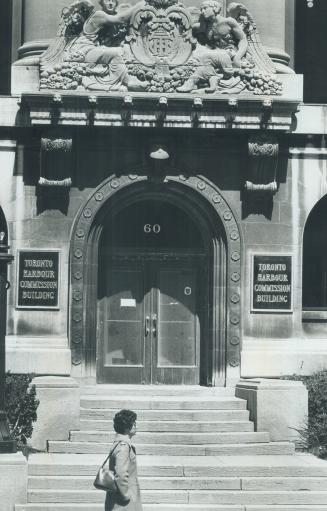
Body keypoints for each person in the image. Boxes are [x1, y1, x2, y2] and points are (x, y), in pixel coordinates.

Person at [61, 0, 145, 91]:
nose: (110, 3)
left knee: (121, 51)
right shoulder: (99, 15)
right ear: (101, 3)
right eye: (107, 0)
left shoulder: (102, 17)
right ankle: (128, 81)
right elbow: (121, 19)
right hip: (84, 51)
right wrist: (139, 6)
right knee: (115, 53)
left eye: (113, 1)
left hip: (91, 50)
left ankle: (118, 78)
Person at [177, 0, 248, 92]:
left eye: (205, 8)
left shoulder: (228, 22)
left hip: (230, 53)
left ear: (215, 8)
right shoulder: (205, 27)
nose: (202, 11)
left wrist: (237, 58)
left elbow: (243, 39)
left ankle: (192, 83)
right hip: (215, 54)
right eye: (201, 9)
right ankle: (203, 83)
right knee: (202, 58)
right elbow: (191, 28)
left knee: (206, 57)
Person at [105, 409, 143, 511]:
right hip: (123, 502)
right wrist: (126, 495)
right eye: (134, 424)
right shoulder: (123, 446)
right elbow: (121, 474)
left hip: (119, 498)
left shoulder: (121, 443)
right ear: (127, 427)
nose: (136, 427)